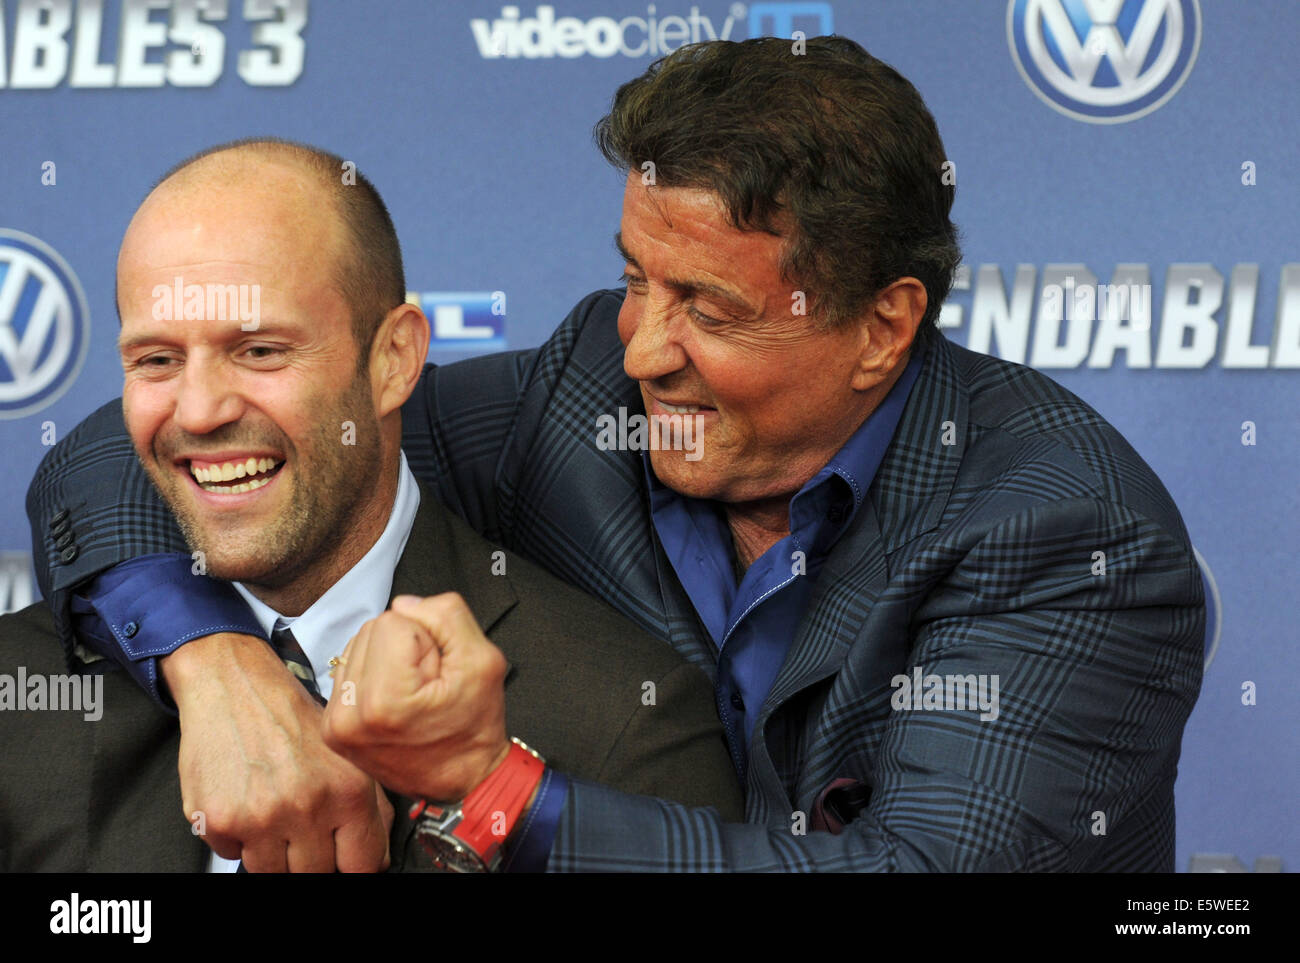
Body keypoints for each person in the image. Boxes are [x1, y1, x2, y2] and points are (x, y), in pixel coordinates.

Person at [26, 38, 1204, 872]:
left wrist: (501, 800)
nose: (644, 349)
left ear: (883, 326)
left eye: (709, 308)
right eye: (636, 279)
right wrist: (216, 662)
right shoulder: (583, 387)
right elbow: (161, 446)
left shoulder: (1065, 532)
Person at [0, 139, 742, 872]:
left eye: (260, 350)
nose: (198, 411)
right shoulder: (22, 694)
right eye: (156, 359)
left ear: (394, 359)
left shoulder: (626, 720)